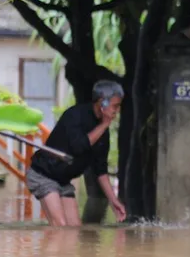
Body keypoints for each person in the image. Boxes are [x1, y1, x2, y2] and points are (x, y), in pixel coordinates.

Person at [25, 80, 127, 226]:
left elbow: (101, 171)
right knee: (60, 225)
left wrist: (114, 201)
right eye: (115, 106)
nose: (116, 111)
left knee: (74, 229)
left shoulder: (103, 133)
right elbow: (79, 146)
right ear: (101, 102)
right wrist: (104, 124)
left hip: (63, 181)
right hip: (43, 174)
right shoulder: (74, 116)